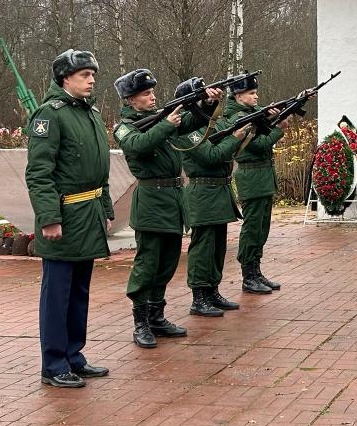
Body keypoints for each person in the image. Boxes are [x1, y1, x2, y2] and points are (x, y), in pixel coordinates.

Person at [25, 49, 115, 389]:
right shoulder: (51, 115)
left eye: (92, 75)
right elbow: (39, 173)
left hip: (88, 215)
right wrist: (49, 218)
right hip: (64, 217)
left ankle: (74, 356)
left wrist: (105, 209)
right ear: (65, 78)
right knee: (57, 295)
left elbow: (99, 170)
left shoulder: (88, 113)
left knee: (79, 293)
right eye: (84, 75)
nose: (91, 80)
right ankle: (53, 364)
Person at [112, 69, 223, 347]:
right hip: (151, 200)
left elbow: (190, 123)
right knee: (147, 264)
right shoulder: (125, 126)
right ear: (130, 100)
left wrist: (207, 103)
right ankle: (141, 322)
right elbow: (138, 145)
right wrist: (166, 124)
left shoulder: (160, 118)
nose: (152, 97)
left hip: (173, 199)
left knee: (168, 262)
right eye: (145, 94)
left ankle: (156, 316)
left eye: (152, 92)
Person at [170, 77, 245, 317]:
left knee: (218, 247)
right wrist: (235, 138)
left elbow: (224, 150)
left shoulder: (209, 122)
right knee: (203, 248)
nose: (208, 100)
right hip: (203, 192)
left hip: (218, 191)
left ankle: (213, 290)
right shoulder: (185, 130)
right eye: (202, 97)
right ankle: (199, 296)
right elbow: (211, 156)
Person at [223, 74, 290, 294]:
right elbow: (259, 144)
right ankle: (248, 275)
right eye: (251, 93)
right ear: (238, 96)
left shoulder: (253, 113)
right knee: (252, 229)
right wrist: (279, 128)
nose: (256, 96)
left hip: (262, 177)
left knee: (262, 228)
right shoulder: (238, 118)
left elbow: (265, 127)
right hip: (251, 177)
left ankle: (256, 271)